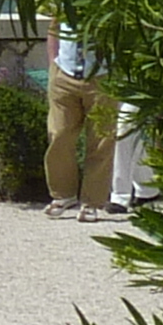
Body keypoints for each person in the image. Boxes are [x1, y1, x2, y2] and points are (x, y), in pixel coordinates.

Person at [44, 21, 116, 219]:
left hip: (102, 75)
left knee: (101, 140)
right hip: (64, 73)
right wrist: (53, 64)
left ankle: (92, 201)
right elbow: (54, 27)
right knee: (59, 134)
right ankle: (63, 195)